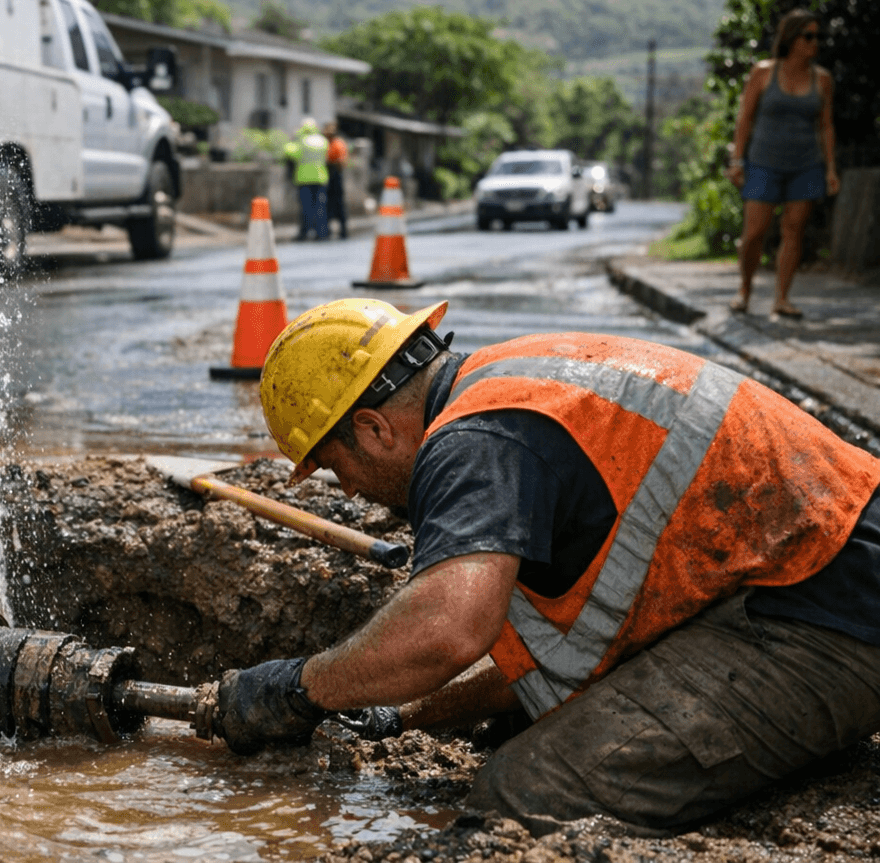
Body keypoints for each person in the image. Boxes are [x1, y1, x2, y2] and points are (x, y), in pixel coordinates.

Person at [212, 297, 880, 835]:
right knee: (530, 720)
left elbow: (448, 631)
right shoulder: (503, 383)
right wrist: (399, 715)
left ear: (373, 428)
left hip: (828, 613)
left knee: (523, 790)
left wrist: (300, 688)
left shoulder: (474, 443)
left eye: (335, 467)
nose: (350, 491)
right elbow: (548, 654)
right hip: (808, 578)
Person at [727, 9, 841, 319]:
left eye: (817, 36)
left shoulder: (823, 80)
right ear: (791, 38)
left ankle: (782, 298)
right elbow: (745, 118)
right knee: (754, 234)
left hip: (806, 165)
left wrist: (830, 168)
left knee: (794, 231)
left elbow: (826, 126)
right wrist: (737, 160)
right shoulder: (764, 73)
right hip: (764, 163)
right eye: (808, 36)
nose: (814, 42)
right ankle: (745, 290)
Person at [283, 118, 330, 241]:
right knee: (320, 207)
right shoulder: (322, 141)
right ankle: (322, 232)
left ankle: (304, 233)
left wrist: (293, 136)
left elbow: (289, 152)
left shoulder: (301, 141)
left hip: (304, 179)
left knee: (306, 208)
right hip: (320, 178)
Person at [323, 122, 349, 240]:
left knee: (338, 204)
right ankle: (327, 230)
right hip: (327, 174)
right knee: (327, 205)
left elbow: (341, 161)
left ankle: (343, 230)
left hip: (335, 174)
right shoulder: (325, 143)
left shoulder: (337, 143)